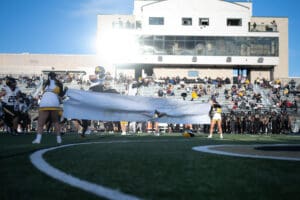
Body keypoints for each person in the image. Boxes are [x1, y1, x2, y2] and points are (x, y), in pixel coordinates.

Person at [32, 72, 66, 144]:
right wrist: (66, 90)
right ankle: (58, 139)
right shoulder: (59, 83)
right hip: (54, 103)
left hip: (44, 102)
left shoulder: (45, 83)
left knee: (40, 123)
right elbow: (62, 95)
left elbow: (35, 93)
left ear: (49, 77)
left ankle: (38, 139)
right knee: (56, 122)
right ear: (55, 76)